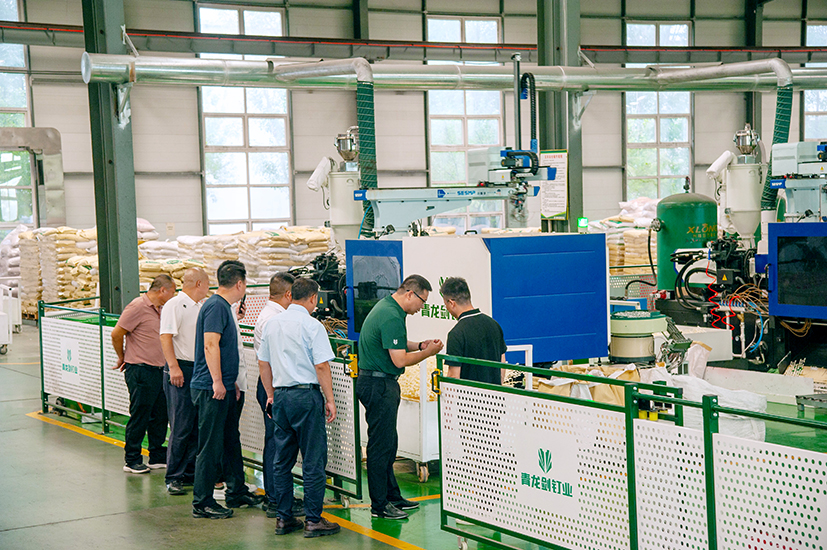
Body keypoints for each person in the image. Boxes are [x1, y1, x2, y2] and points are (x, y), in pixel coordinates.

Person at [356, 274, 443, 520]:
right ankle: (379, 505)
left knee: (389, 443)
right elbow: (399, 359)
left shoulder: (388, 307)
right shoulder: (392, 315)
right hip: (379, 385)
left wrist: (421, 345)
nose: (421, 308)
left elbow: (397, 344)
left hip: (377, 382)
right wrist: (429, 353)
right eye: (422, 302)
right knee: (381, 446)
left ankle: (392, 496)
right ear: (409, 294)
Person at [258, 278, 341, 538]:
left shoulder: (272, 324)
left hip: (281, 397)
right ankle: (313, 520)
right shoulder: (312, 325)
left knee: (282, 461)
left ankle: (283, 518)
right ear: (314, 298)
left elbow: (263, 363)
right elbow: (321, 366)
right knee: (313, 461)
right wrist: (330, 399)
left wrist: (270, 395)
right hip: (306, 397)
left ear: (291, 294)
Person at [190, 260, 263, 519]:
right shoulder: (216, 307)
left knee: (231, 440)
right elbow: (211, 345)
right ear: (240, 284)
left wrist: (230, 381)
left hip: (226, 385)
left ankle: (237, 491)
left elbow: (225, 348)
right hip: (211, 388)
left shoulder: (224, 307)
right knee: (210, 446)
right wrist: (217, 381)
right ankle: (202, 502)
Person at [112, 274, 176, 474]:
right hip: (141, 370)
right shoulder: (137, 307)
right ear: (162, 290)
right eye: (173, 291)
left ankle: (156, 455)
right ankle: (132, 459)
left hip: (159, 371)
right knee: (140, 414)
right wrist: (122, 356)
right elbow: (116, 333)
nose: (174, 296)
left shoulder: (162, 309)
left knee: (160, 415)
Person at [253, 272, 304, 518]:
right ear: (289, 294)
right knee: (277, 444)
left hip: (271, 384)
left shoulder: (269, 314)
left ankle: (276, 496)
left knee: (276, 442)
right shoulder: (274, 319)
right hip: (273, 386)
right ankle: (275, 498)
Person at [159, 267, 210, 495]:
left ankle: (190, 472)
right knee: (180, 425)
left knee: (196, 425)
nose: (208, 288)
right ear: (199, 284)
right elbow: (165, 336)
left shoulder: (200, 306)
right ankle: (173, 476)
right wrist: (173, 367)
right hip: (181, 369)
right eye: (207, 283)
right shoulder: (175, 305)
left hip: (198, 369)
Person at [440, 277, 507, 384]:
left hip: (469, 393)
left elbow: (453, 376)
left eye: (445, 305)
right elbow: (502, 363)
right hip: (494, 392)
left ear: (451, 303)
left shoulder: (456, 334)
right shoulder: (494, 325)